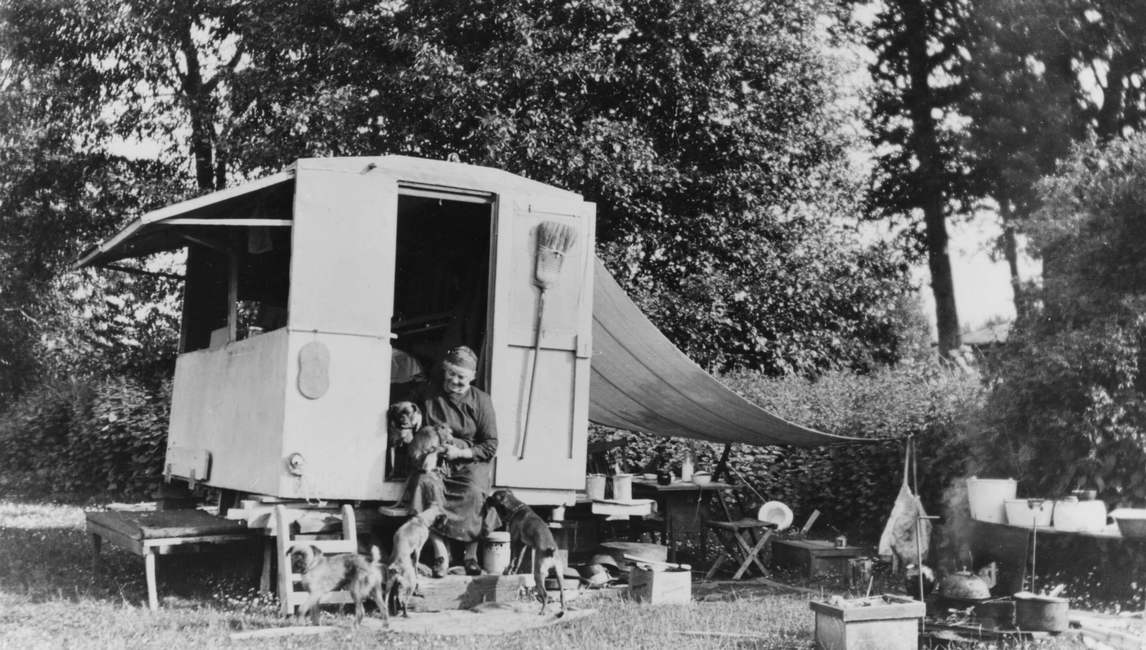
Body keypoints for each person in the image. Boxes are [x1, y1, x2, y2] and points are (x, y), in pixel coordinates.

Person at [395, 345, 499, 577]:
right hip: (436, 459)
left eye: (461, 376)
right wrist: (409, 427)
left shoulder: (481, 401)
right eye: (451, 373)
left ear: (472, 377)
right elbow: (405, 413)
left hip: (468, 462)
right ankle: (441, 553)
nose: (455, 380)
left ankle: (470, 556)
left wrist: (461, 453)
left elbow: (491, 444)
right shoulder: (428, 393)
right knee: (424, 484)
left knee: (473, 491)